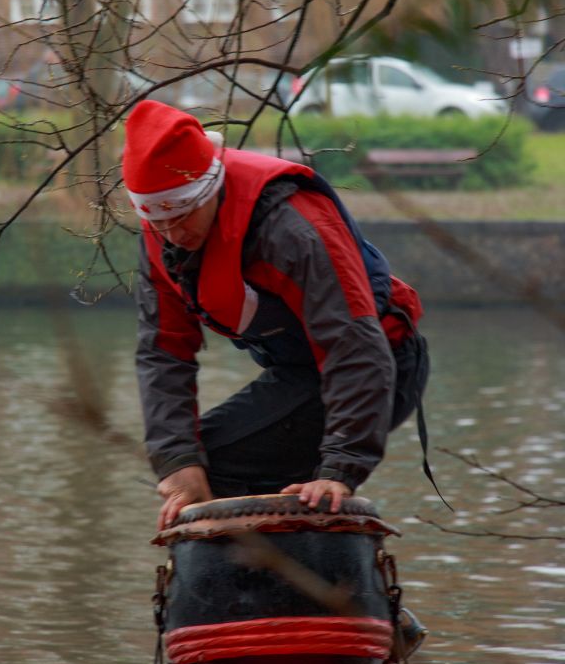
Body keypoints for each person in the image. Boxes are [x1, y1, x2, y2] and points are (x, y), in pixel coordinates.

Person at [123, 100, 429, 531]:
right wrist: (175, 459)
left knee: (222, 465)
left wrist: (340, 469)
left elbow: (354, 344)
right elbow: (162, 352)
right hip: (301, 372)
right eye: (159, 220)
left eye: (184, 214)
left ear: (211, 189)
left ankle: (304, 563)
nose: (174, 234)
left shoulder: (292, 229)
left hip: (382, 364)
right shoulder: (163, 237)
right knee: (194, 465)